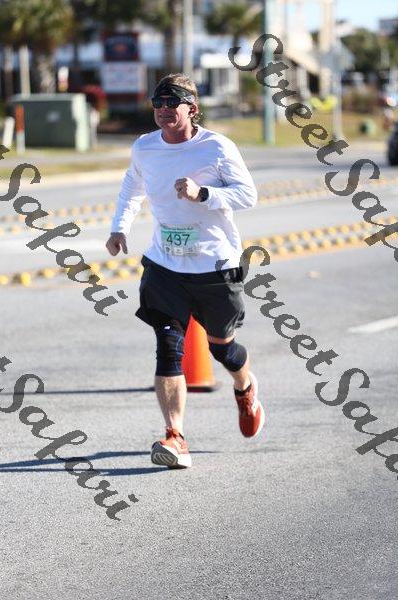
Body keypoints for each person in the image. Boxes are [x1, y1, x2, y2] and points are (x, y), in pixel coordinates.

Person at [106, 73, 265, 469]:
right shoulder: (145, 147)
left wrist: (203, 193)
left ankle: (245, 387)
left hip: (214, 264)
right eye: (157, 103)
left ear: (191, 109)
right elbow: (131, 189)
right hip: (165, 264)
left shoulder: (216, 147)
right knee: (168, 346)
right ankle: (175, 436)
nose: (162, 109)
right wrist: (119, 228)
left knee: (222, 347)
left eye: (171, 102)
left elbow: (248, 195)